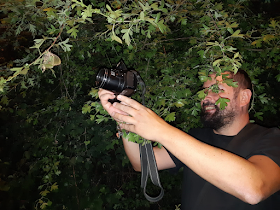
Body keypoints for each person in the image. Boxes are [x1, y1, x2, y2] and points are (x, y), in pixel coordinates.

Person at [98, 70, 280, 210]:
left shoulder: (271, 139)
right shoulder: (196, 137)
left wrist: (161, 130)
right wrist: (122, 117)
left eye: (218, 90)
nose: (206, 97)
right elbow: (142, 162)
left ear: (244, 97)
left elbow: (255, 188)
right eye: (205, 90)